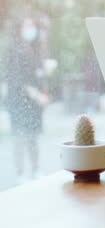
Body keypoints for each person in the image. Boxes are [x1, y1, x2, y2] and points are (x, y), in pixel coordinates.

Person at [4, 16, 50, 181]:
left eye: (32, 25)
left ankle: (35, 169)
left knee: (33, 137)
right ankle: (20, 173)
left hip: (33, 104)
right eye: (27, 25)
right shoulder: (15, 50)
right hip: (20, 102)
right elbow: (17, 79)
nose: (31, 29)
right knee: (20, 137)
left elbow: (36, 76)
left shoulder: (33, 49)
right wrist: (37, 95)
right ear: (19, 28)